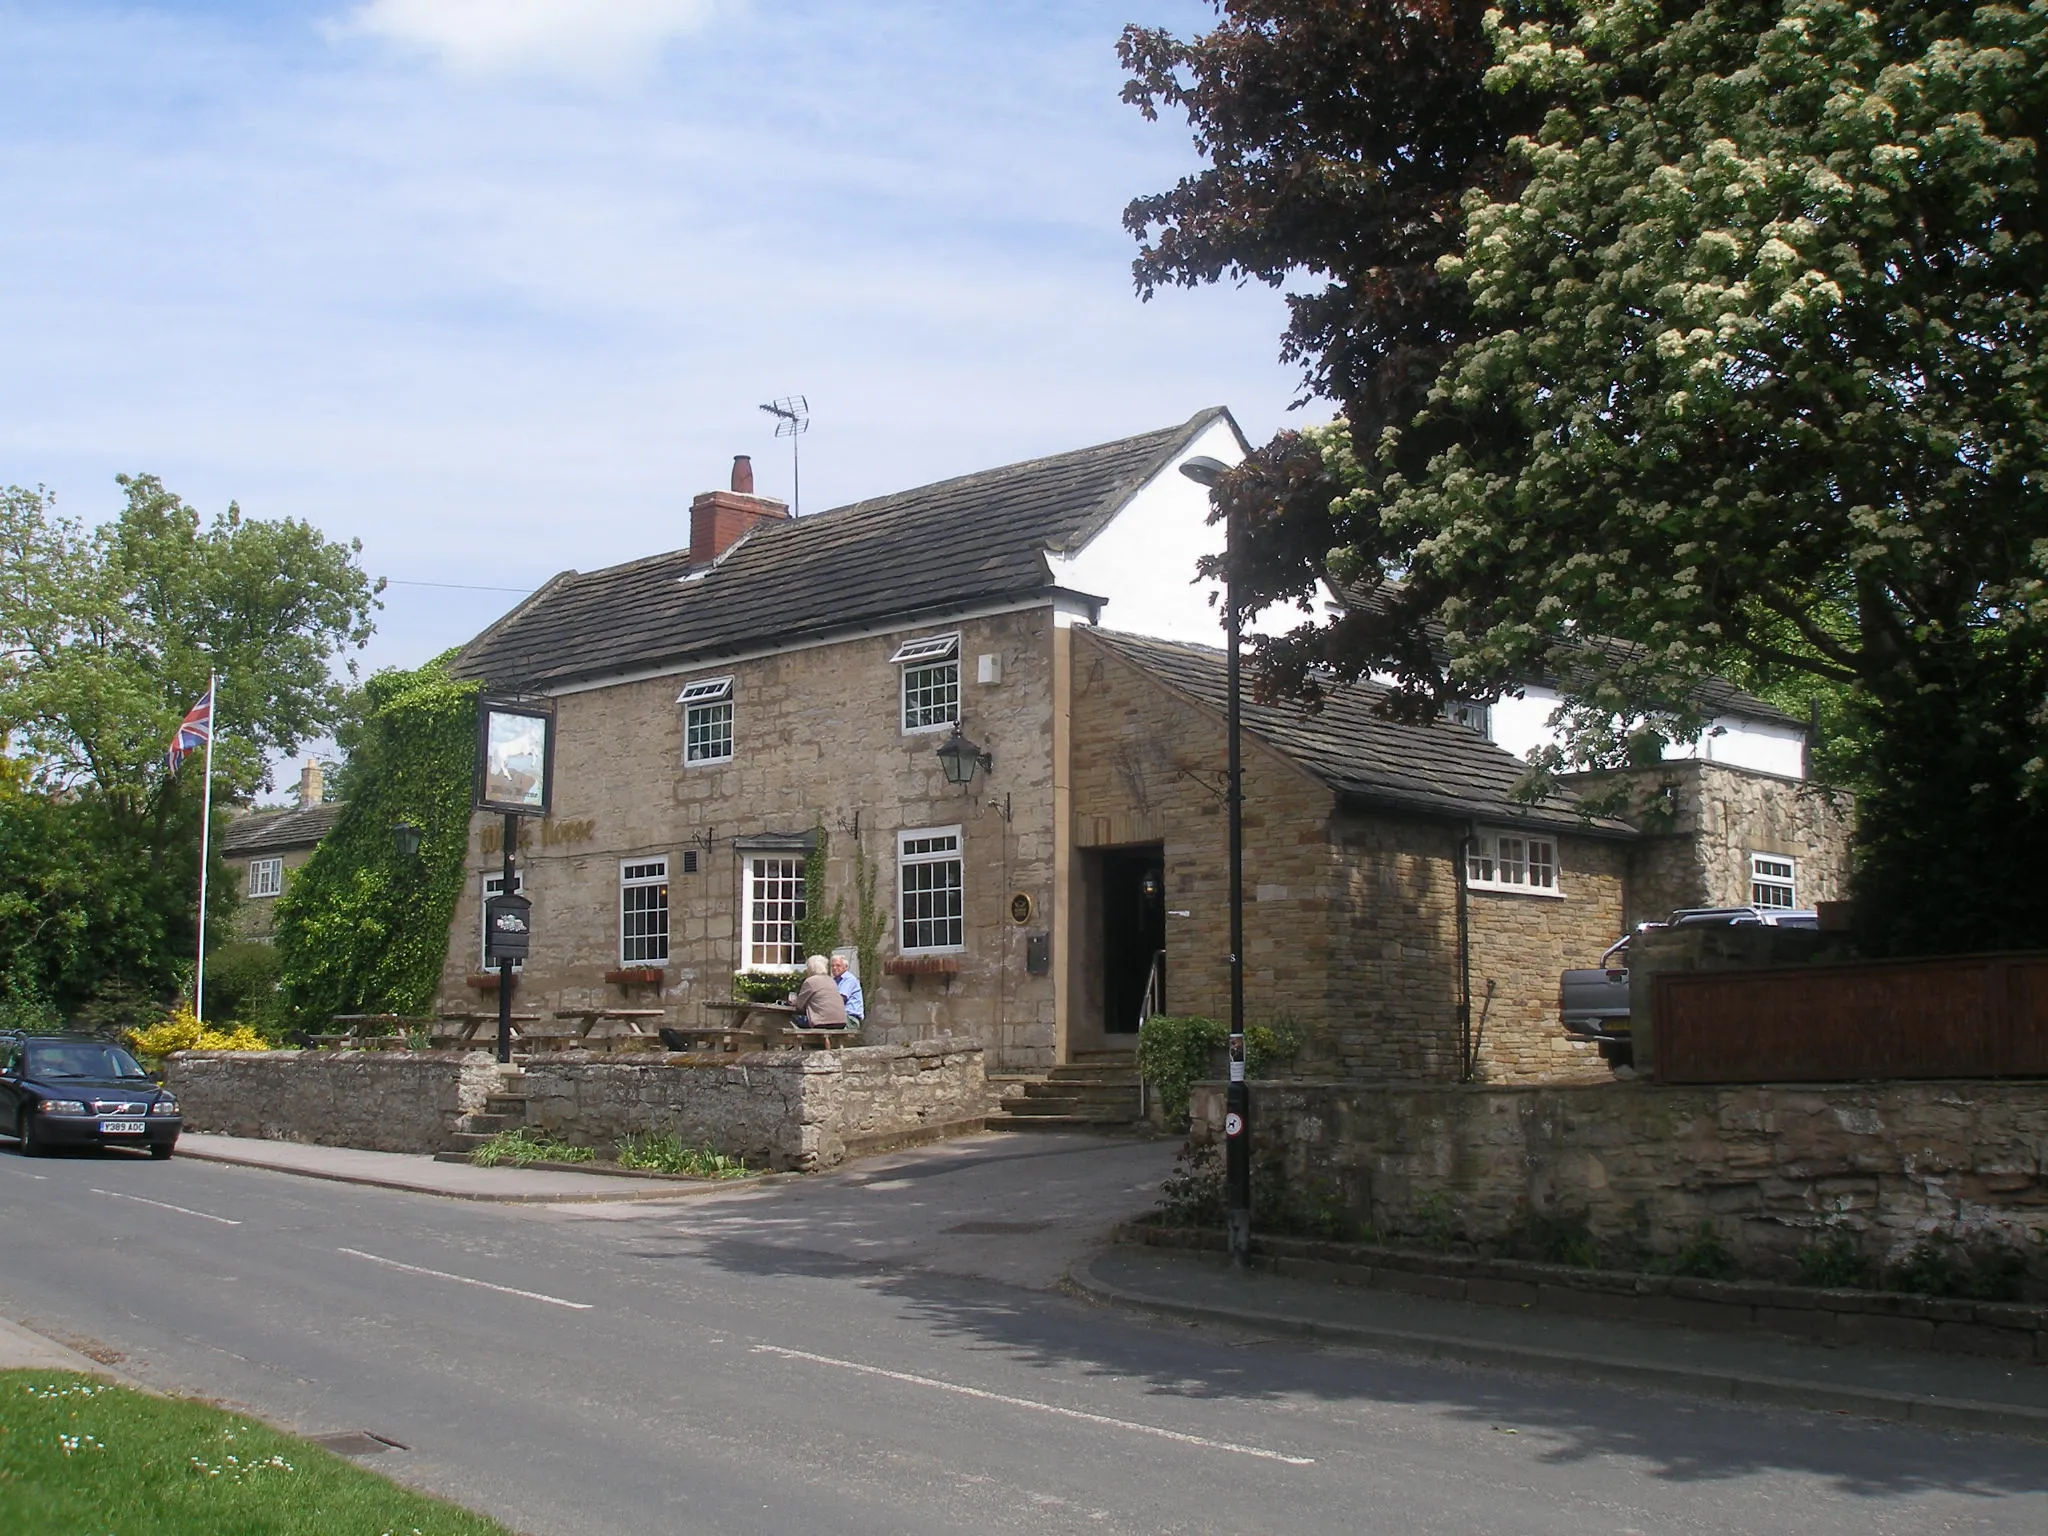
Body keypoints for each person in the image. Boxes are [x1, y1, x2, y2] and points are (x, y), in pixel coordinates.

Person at [786, 954, 849, 1029]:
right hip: (841, 1022)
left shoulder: (810, 981)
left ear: (811, 968)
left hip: (821, 1022)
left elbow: (799, 1005)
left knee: (789, 1019)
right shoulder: (831, 980)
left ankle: (803, 1040)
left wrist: (793, 1002)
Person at [830, 953, 864, 1030]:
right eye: (832, 966)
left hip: (850, 1019)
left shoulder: (849, 979)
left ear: (845, 967)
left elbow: (840, 999)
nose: (834, 968)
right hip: (841, 1017)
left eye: (838, 965)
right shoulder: (834, 981)